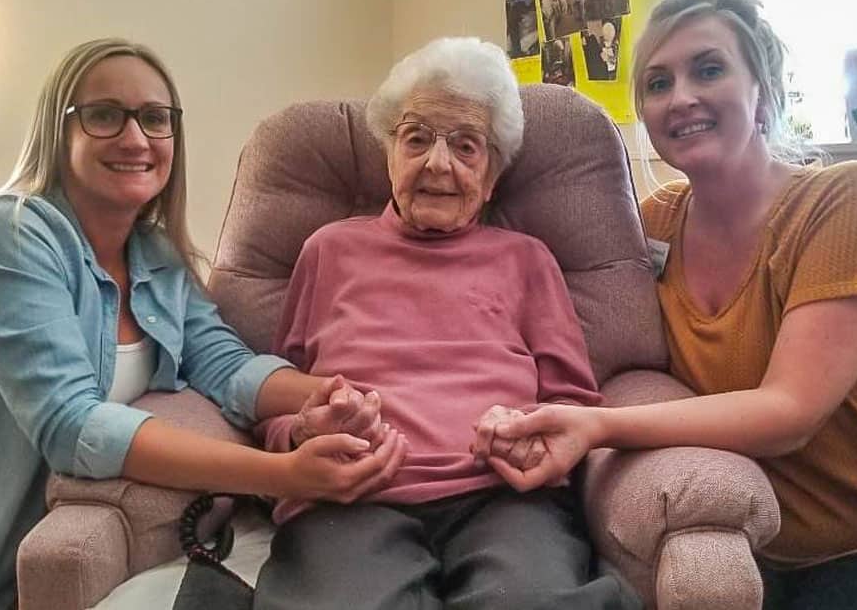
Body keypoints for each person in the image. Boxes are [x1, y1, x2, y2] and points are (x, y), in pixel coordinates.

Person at [0, 38, 406, 610]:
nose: (135, 137)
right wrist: (282, 475)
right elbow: (72, 425)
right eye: (104, 115)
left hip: (25, 574)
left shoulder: (159, 256)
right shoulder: (9, 235)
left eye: (155, 118)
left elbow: (226, 366)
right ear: (60, 130)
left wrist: (341, 395)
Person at [474, 0, 857, 610]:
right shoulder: (656, 223)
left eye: (710, 69)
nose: (682, 97)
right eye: (659, 83)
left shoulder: (854, 199)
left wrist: (597, 427)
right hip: (732, 532)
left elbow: (789, 412)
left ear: (764, 90)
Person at [252, 37, 634, 610]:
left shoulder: (527, 259)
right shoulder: (328, 251)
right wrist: (304, 433)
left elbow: (575, 404)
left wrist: (529, 433)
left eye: (465, 146)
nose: (437, 162)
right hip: (350, 499)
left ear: (493, 176)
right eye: (417, 138)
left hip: (502, 497)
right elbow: (277, 400)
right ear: (389, 154)